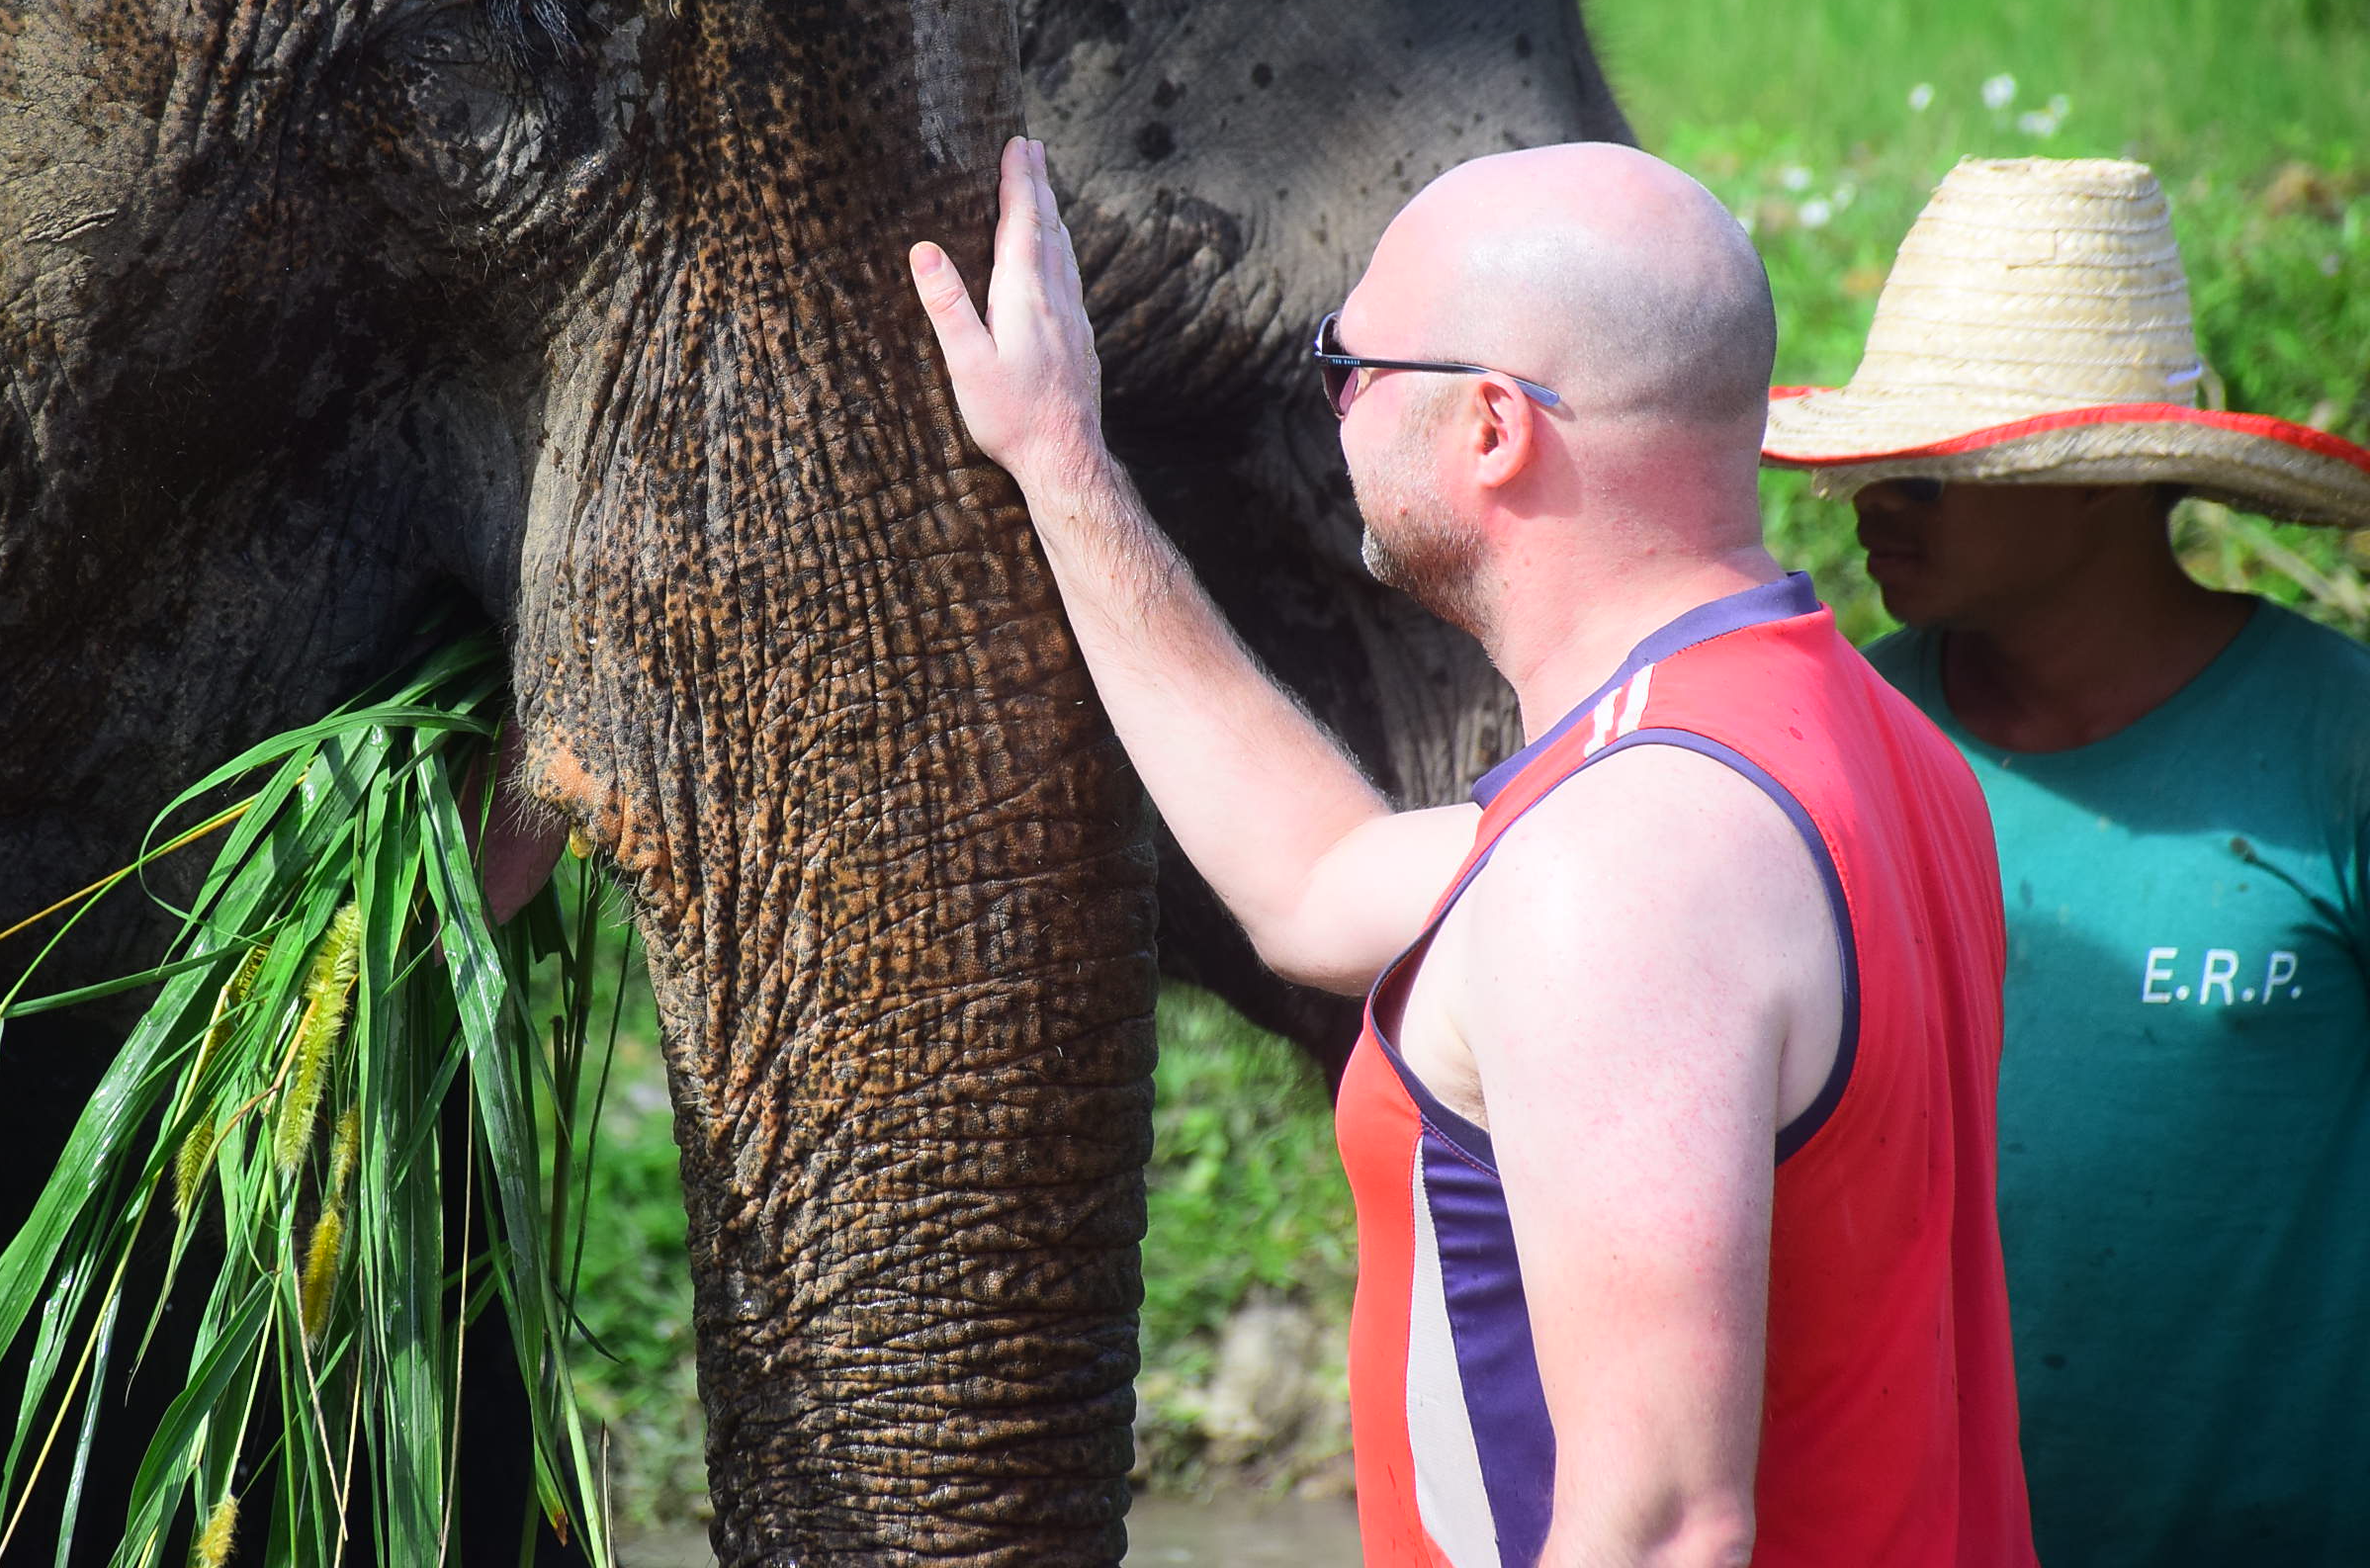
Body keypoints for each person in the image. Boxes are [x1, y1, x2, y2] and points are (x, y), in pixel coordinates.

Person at [909, 136, 2035, 1567]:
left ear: (1493, 428)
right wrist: (1063, 461)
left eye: (1349, 368)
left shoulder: (1626, 866)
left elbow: (1660, 1529)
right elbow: (1319, 881)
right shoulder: (1857, 749)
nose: (1337, 411)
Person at [1763, 155, 2370, 1564]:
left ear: (2098, 482)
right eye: (1875, 460)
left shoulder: (2335, 749)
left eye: (1935, 466)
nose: (1872, 501)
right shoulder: (1838, 739)